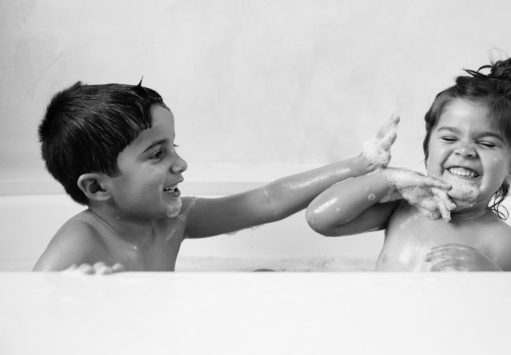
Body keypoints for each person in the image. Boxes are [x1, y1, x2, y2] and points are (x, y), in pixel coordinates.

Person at [33, 81, 448, 274]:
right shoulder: (82, 241)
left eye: (174, 146)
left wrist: (358, 165)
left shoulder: (173, 220)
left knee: (265, 286)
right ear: (97, 187)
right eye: (158, 154)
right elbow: (24, 314)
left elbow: (267, 201)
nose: (180, 164)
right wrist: (66, 293)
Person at [306, 56, 511, 272]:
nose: (464, 151)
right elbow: (320, 219)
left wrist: (490, 277)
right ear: (427, 151)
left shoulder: (504, 244)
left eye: (486, 143)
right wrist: (387, 179)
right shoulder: (403, 208)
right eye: (449, 138)